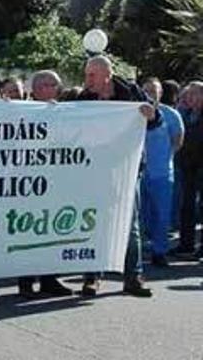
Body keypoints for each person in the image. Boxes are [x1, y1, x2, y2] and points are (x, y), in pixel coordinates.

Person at [76, 56, 157, 297]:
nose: (87, 80)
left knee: (130, 224)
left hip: (127, 167)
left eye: (92, 75)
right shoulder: (84, 98)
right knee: (93, 221)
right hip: (95, 169)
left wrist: (150, 114)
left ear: (106, 75)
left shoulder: (132, 92)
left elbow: (156, 119)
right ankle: (91, 277)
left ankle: (133, 277)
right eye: (86, 74)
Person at [16, 70, 73, 298]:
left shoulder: (63, 112)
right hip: (29, 181)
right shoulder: (21, 111)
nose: (54, 89)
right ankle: (26, 282)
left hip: (56, 179)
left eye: (56, 86)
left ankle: (50, 279)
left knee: (51, 229)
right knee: (28, 231)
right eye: (50, 85)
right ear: (37, 88)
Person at [140, 78, 184, 267]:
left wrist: (167, 157)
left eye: (154, 90)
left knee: (162, 214)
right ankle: (138, 252)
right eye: (147, 90)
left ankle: (160, 251)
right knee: (140, 214)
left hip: (162, 173)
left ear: (160, 93)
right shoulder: (133, 112)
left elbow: (178, 140)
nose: (151, 93)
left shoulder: (171, 114)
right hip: (138, 173)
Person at [176, 81, 203, 257]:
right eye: (188, 94)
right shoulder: (185, 114)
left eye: (194, 94)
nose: (189, 98)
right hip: (188, 166)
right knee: (186, 206)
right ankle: (186, 244)